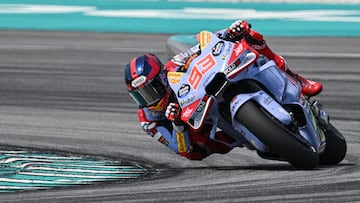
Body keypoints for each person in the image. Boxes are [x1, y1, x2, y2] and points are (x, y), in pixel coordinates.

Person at [124, 20, 323, 161]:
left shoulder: (173, 68)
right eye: (139, 96)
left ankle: (297, 79)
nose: (149, 99)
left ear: (161, 79)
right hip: (199, 130)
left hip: (210, 92)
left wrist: (229, 32)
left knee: (249, 38)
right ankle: (250, 134)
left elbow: (203, 43)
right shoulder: (149, 121)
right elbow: (183, 150)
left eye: (151, 91)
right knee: (198, 147)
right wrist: (177, 124)